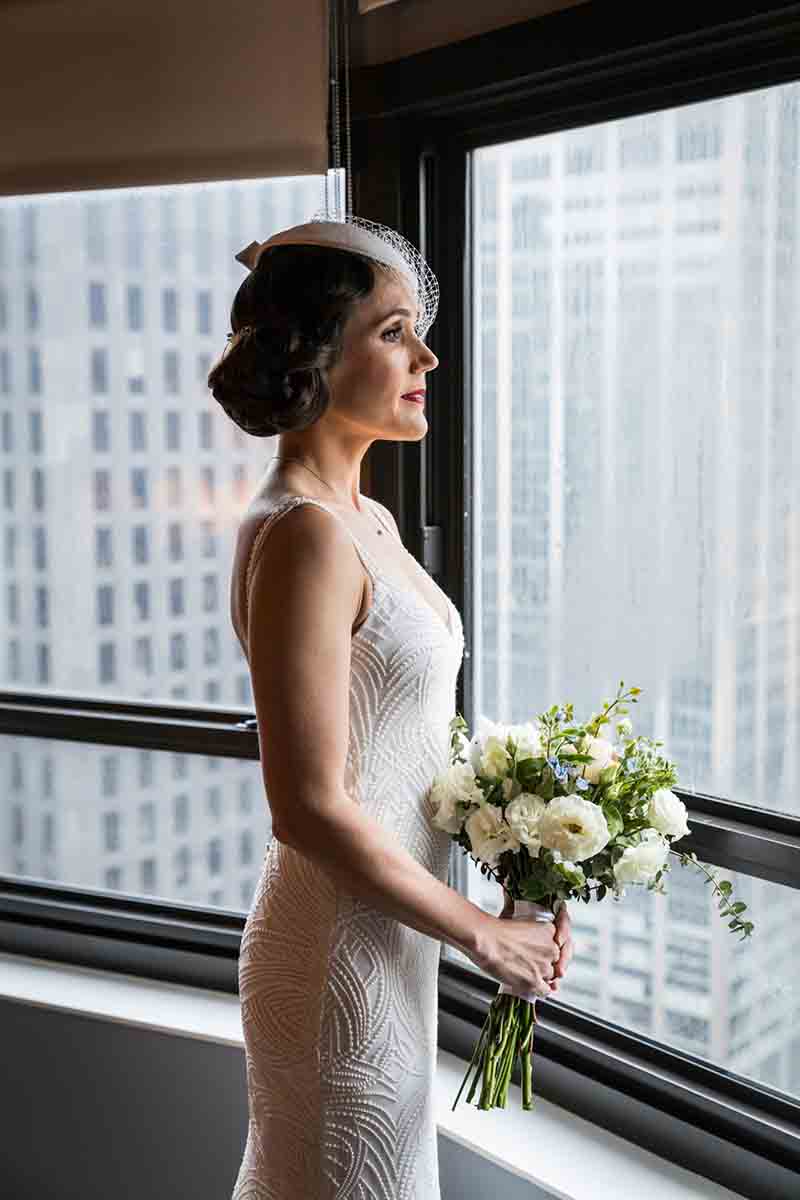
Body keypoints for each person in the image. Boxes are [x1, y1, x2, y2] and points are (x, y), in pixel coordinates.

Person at [209, 214, 574, 1199]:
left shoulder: (365, 518)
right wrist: (482, 933)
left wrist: (518, 848)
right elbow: (309, 804)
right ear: (315, 355)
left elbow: (399, 740)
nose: (427, 354)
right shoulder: (305, 534)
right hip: (334, 946)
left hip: (389, 934)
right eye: (392, 331)